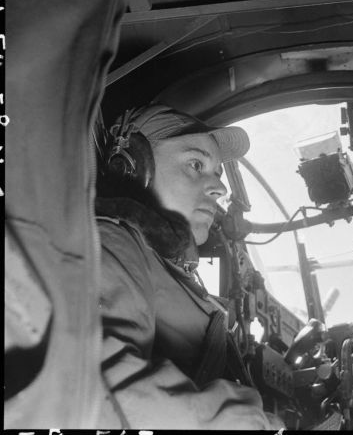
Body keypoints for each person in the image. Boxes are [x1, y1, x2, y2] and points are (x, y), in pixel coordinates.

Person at [96, 104, 282, 429]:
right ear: (131, 167)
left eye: (218, 175)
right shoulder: (113, 243)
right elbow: (95, 387)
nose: (221, 189)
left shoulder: (174, 270)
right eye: (196, 164)